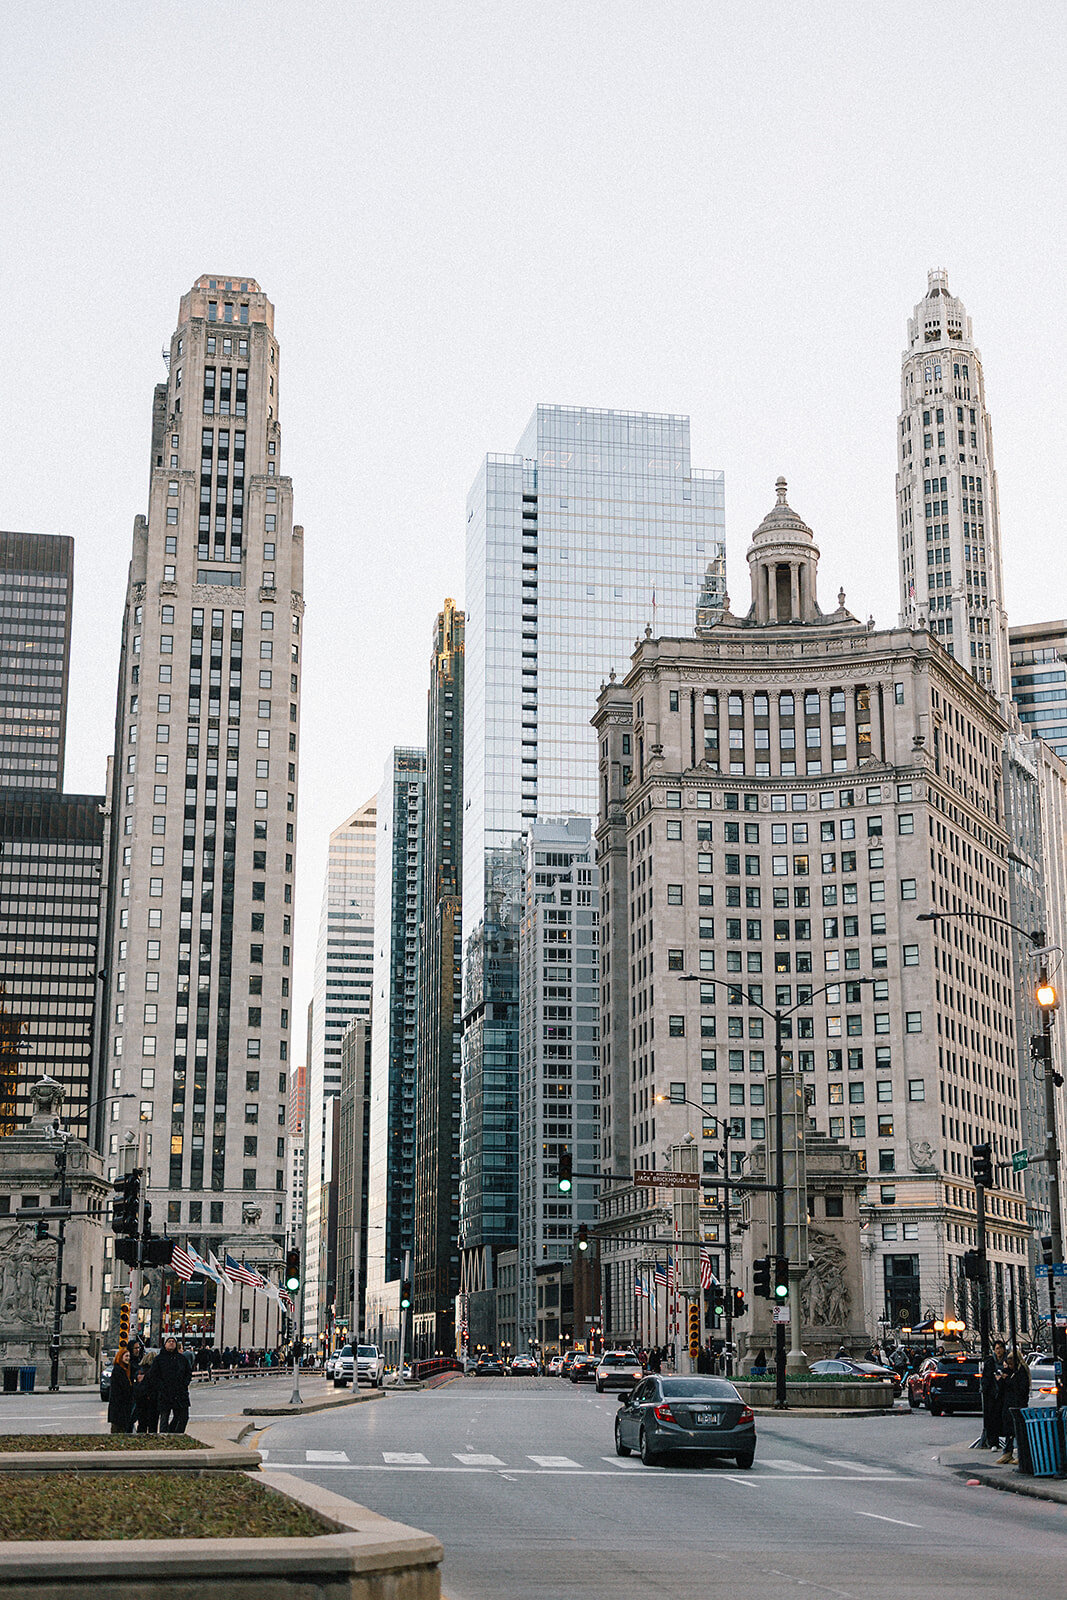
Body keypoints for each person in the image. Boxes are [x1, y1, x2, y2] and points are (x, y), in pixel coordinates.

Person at [997, 1352, 1031, 1465]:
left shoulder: (1021, 1372)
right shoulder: (1012, 1373)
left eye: (1011, 1365)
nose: (1009, 1367)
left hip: (1018, 1404)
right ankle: (1007, 1452)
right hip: (1009, 1404)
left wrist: (1007, 1380)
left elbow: (1020, 1389)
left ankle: (1020, 1454)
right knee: (1009, 1430)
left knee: (1017, 1430)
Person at [155, 1335, 193, 1433]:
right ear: (165, 1344)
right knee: (164, 1418)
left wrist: (184, 1384)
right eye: (169, 1341)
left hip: (180, 1393)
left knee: (183, 1417)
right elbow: (154, 1375)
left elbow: (188, 1373)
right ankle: (164, 1437)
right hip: (165, 1393)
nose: (171, 1343)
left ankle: (176, 1434)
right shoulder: (159, 1359)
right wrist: (161, 1387)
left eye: (173, 1341)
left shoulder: (181, 1359)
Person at [981, 1339, 1006, 1450]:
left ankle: (1007, 1441)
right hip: (992, 1395)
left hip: (1004, 1394)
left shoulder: (1008, 1362)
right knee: (992, 1419)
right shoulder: (990, 1363)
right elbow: (985, 1379)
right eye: (997, 1348)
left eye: (1000, 1348)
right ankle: (993, 1442)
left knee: (1005, 1419)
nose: (999, 1350)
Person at [108, 1347, 135, 1434]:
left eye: (129, 1356)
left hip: (123, 1405)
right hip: (119, 1406)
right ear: (121, 1357)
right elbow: (123, 1387)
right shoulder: (118, 1370)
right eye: (126, 1356)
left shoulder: (126, 1369)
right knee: (117, 1429)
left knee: (122, 1428)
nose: (128, 1358)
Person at [133, 1349, 159, 1434]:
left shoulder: (140, 1371)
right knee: (153, 1425)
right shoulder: (155, 1371)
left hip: (141, 1400)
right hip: (152, 1400)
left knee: (142, 1423)